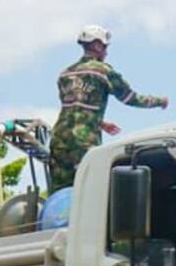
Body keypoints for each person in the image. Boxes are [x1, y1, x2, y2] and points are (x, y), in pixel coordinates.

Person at [49, 25, 169, 191]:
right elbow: (130, 98)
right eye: (105, 47)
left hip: (59, 140)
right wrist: (159, 101)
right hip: (83, 142)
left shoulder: (65, 75)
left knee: (59, 194)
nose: (106, 52)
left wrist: (101, 123)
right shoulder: (103, 72)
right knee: (88, 191)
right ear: (97, 45)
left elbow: (74, 109)